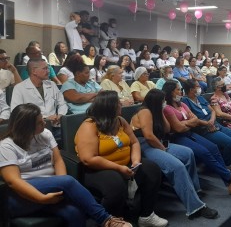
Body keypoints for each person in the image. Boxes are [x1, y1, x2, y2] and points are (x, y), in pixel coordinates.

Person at [0, 103, 132, 227]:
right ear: (26, 127)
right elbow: (13, 181)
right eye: (40, 123)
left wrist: (60, 185)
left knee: (75, 213)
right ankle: (106, 220)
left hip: (51, 188)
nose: (44, 123)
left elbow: (58, 160)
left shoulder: (45, 134)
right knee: (68, 181)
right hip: (22, 196)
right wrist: (42, 198)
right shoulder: (7, 146)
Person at [75, 91, 167, 226]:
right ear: (109, 106)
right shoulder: (89, 125)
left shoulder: (120, 121)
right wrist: (119, 168)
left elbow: (134, 142)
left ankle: (146, 215)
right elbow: (88, 159)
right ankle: (111, 221)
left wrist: (136, 161)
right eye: (118, 103)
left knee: (152, 169)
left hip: (125, 163)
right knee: (115, 184)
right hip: (97, 169)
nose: (121, 105)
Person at [130, 89, 218, 220]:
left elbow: (167, 129)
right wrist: (162, 149)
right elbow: (148, 136)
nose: (165, 102)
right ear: (156, 102)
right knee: (177, 166)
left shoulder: (156, 111)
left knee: (188, 153)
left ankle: (193, 190)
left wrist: (162, 112)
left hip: (157, 143)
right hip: (144, 147)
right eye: (162, 101)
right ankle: (195, 207)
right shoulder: (145, 111)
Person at [162, 81, 231, 195]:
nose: (181, 91)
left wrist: (187, 123)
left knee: (213, 148)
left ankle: (229, 183)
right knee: (205, 152)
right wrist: (190, 123)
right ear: (170, 92)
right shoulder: (168, 108)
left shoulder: (182, 105)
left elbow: (194, 120)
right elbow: (178, 128)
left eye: (180, 89)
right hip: (178, 137)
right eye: (178, 90)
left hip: (189, 133)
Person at [181, 79, 231, 170]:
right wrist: (207, 124)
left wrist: (212, 121)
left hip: (214, 123)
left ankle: (216, 160)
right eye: (197, 86)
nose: (200, 87)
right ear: (190, 90)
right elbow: (193, 119)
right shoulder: (185, 101)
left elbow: (212, 111)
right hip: (203, 129)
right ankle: (225, 164)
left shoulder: (200, 98)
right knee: (229, 143)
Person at [11, 58, 68, 140]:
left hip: (55, 126)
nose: (48, 71)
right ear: (34, 71)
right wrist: (45, 118)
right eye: (45, 68)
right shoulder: (19, 88)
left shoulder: (51, 84)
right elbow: (17, 113)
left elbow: (62, 104)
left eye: (48, 68)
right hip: (33, 130)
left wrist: (60, 115)